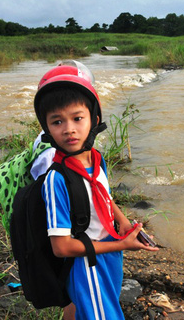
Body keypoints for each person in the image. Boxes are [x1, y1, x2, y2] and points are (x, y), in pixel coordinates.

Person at [33, 66, 159, 319]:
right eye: (57, 121)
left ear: (95, 120)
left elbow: (103, 196)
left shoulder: (95, 159)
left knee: (94, 309)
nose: (69, 129)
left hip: (110, 251)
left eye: (77, 118)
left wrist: (123, 223)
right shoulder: (56, 180)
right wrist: (123, 244)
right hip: (87, 263)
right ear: (46, 129)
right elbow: (61, 248)